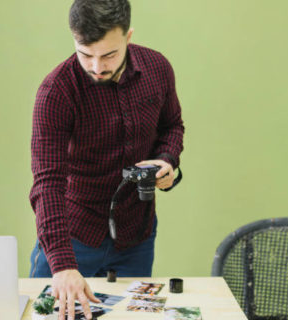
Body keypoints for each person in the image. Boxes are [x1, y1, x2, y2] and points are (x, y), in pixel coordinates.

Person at [29, 0, 184, 319]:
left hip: (137, 233)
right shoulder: (56, 91)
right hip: (73, 236)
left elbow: (172, 126)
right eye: (86, 54)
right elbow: (47, 184)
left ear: (128, 37)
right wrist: (62, 265)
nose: (97, 67)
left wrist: (167, 160)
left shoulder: (158, 69)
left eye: (109, 55)